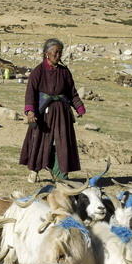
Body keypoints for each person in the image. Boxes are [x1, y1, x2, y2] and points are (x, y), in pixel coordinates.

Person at [19, 38, 85, 182]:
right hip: (43, 113)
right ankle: (34, 171)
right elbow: (30, 92)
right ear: (46, 54)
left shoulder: (64, 72)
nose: (58, 55)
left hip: (62, 113)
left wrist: (79, 106)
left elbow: (72, 92)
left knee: (62, 143)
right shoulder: (38, 71)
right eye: (55, 52)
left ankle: (61, 174)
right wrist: (30, 111)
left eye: (60, 52)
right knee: (40, 141)